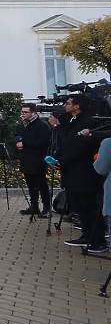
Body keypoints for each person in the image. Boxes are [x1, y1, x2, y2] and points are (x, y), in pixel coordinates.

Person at [53, 94, 105, 252]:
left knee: (89, 206)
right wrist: (55, 159)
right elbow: (66, 142)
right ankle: (86, 235)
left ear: (77, 106)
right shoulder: (71, 121)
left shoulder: (90, 123)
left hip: (83, 172)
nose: (65, 105)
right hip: (70, 171)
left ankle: (98, 240)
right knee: (78, 206)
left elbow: (81, 148)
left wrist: (63, 161)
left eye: (68, 103)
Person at [16, 103, 52, 217]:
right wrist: (18, 143)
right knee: (31, 184)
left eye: (25, 112)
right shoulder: (24, 124)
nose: (23, 114)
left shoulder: (42, 125)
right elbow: (20, 137)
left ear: (34, 113)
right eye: (22, 112)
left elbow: (44, 142)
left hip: (38, 160)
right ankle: (34, 206)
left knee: (42, 185)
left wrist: (25, 144)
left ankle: (47, 208)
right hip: (26, 158)